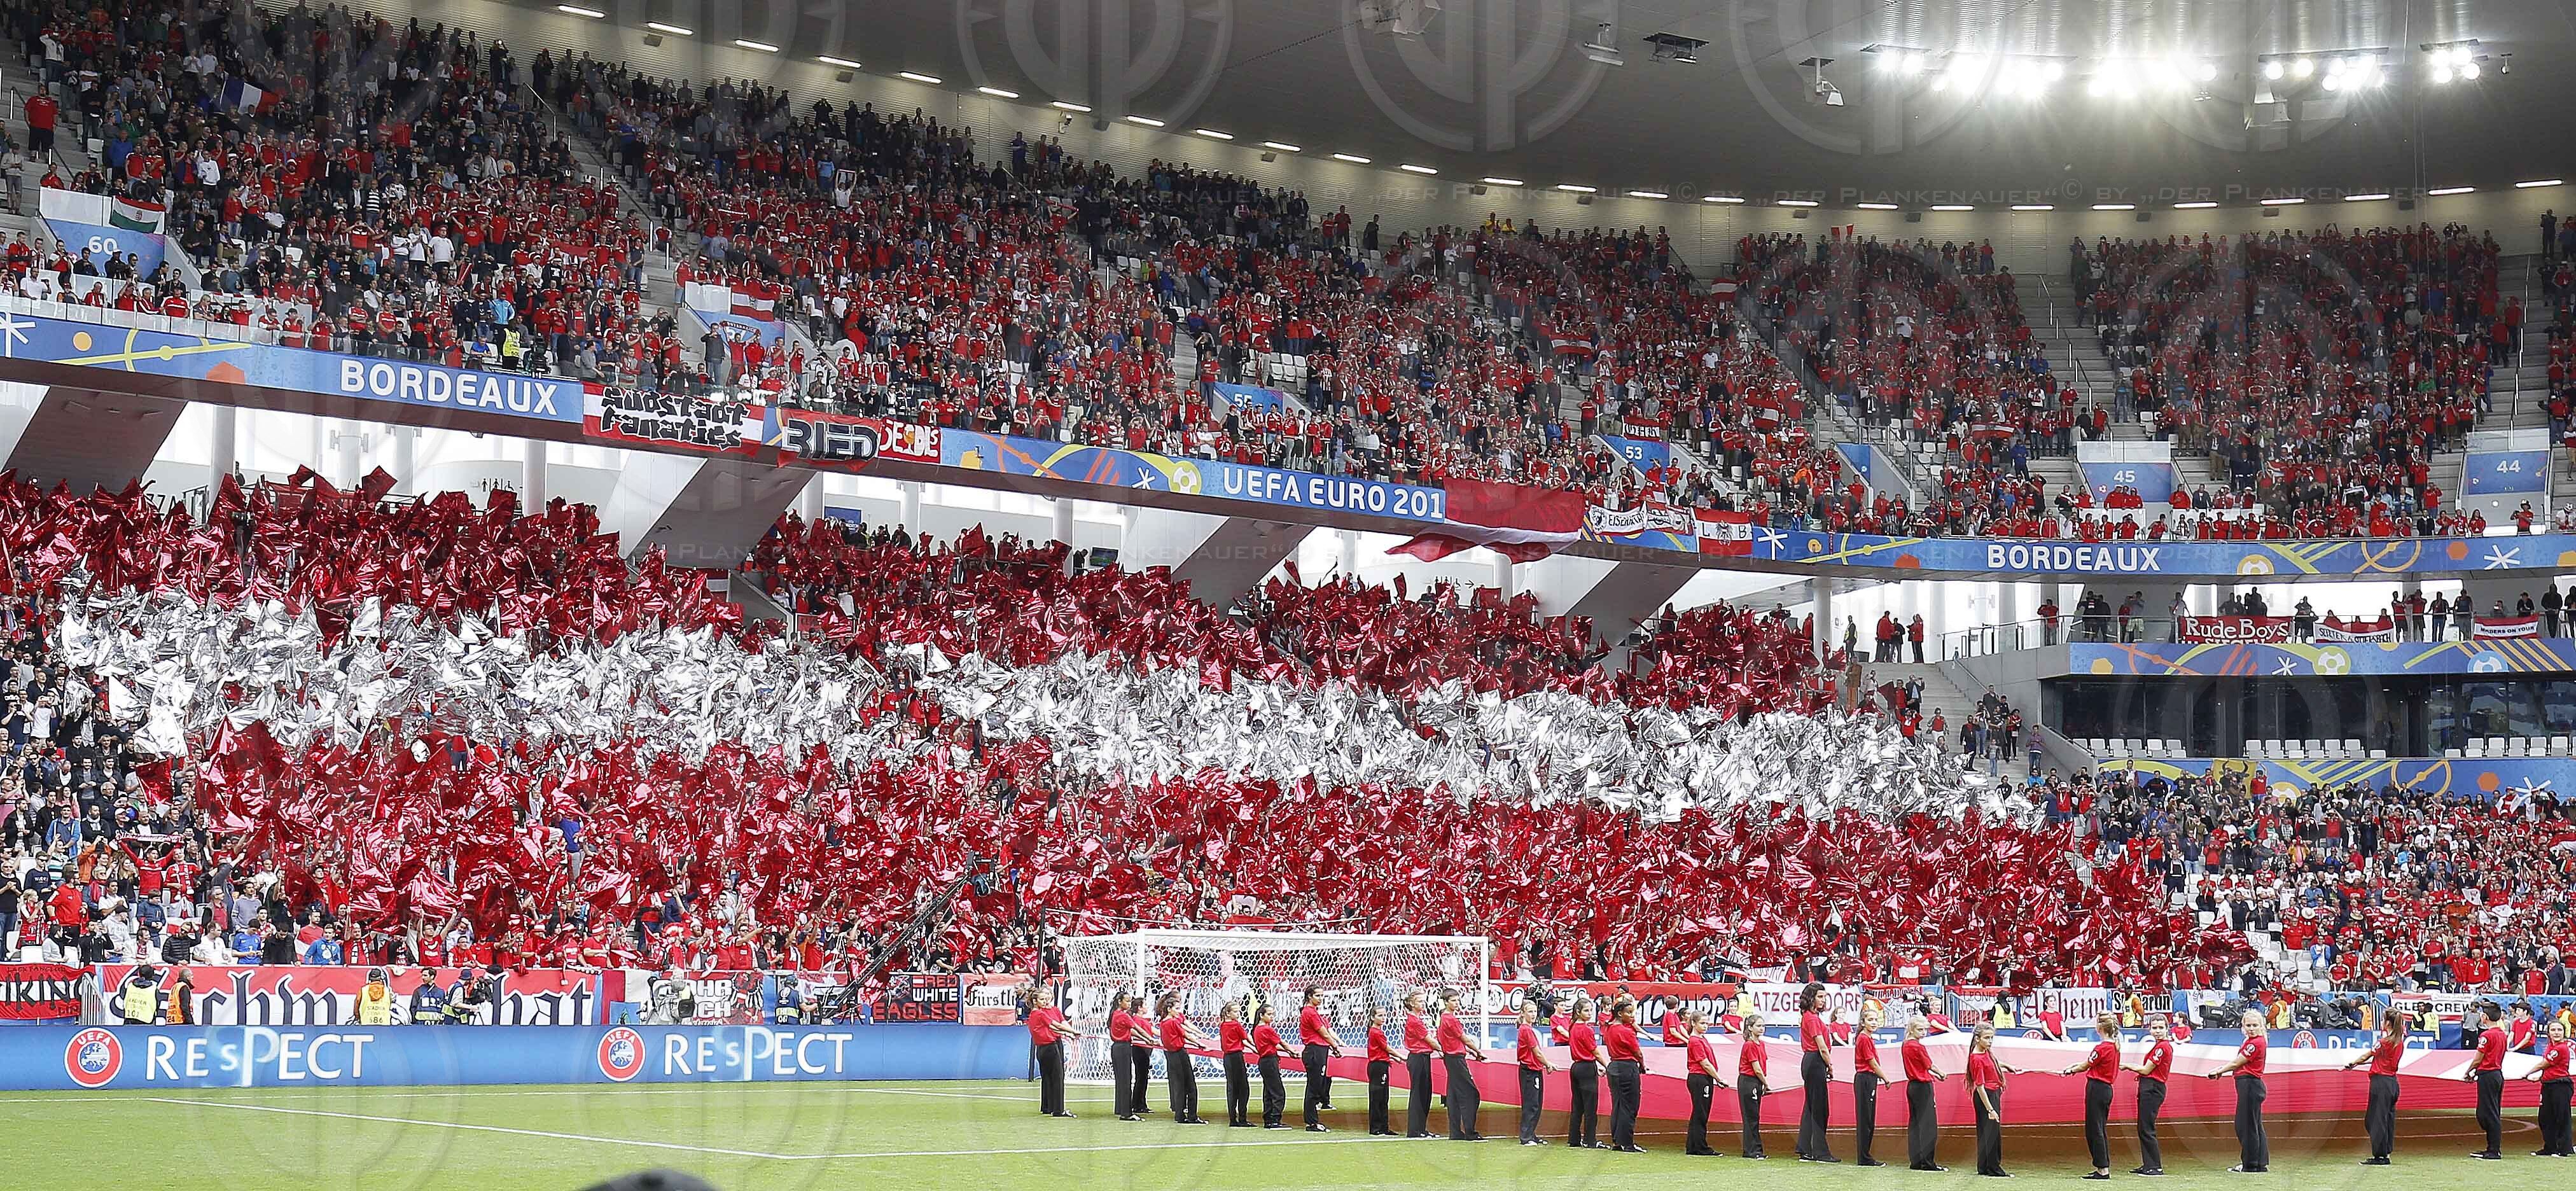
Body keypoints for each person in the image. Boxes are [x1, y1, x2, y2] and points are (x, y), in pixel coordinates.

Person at [2054, 1011, 2124, 1178]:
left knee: (2095, 1129)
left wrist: (2071, 1070)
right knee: (2099, 1128)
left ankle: (2102, 1168)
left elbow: (2086, 1065)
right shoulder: (2114, 1046)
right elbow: (2089, 1064)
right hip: (2105, 1089)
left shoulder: (2102, 1048)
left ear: (2100, 1027)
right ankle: (2103, 1165)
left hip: (2097, 1088)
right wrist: (2074, 1067)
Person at [2206, 1008, 2268, 1171]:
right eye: (2248, 1025)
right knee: (2254, 1125)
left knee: (2245, 1126)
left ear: (2261, 1026)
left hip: (2250, 1084)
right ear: (2243, 1026)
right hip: (2251, 1085)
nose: (2251, 1028)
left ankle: (2250, 1165)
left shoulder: (2256, 1043)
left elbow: (2237, 1063)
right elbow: (2237, 1063)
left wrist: (2219, 1071)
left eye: (2255, 1025)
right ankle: (2259, 1163)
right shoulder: (2253, 1042)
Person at [2343, 1011, 2405, 1164]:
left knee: (2375, 1120)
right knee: (2387, 1119)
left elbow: (2368, 1056)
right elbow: (2380, 1059)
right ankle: (2386, 1151)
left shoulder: (2384, 1042)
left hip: (2381, 1083)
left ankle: (2380, 1155)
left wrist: (2353, 1063)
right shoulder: (2399, 1042)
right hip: (2392, 1082)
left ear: (2388, 1023)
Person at [2125, 1014, 2174, 1175]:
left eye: (2161, 1028)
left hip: (2153, 1087)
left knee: (2147, 1128)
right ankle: (2149, 1164)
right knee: (2144, 1127)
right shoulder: (2158, 1046)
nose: (2158, 1031)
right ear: (2149, 1029)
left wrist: (2128, 1066)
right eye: (2155, 1028)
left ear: (2167, 1029)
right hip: (2150, 1087)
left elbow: (2146, 1070)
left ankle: (2154, 1166)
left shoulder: (2162, 1047)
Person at [1796, 984, 1839, 1162]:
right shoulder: (1812, 1019)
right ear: (1812, 998)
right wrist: (1829, 1065)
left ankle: (1806, 1149)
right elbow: (1821, 1046)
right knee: (1820, 1108)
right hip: (1815, 1061)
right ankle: (1819, 1152)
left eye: (1824, 997)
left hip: (1811, 1061)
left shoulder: (1809, 1017)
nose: (1823, 1000)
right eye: (1820, 997)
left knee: (1812, 1107)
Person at [1157, 993, 1213, 1124]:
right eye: (1176, 1008)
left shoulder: (1163, 1022)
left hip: (1171, 1055)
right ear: (1169, 1009)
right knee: (1190, 1086)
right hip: (1179, 1054)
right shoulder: (1173, 1022)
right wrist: (1200, 1044)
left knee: (1179, 1085)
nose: (1179, 1011)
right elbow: (1186, 1034)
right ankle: (1192, 1116)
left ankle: (1180, 1115)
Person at [1437, 990, 1486, 1140]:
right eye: (1453, 1001)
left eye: (1458, 1000)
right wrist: (1477, 1051)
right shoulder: (1450, 1019)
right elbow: (1465, 1039)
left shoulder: (1443, 1018)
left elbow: (1451, 1040)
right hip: (1456, 1059)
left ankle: (1456, 1131)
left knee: (1453, 1096)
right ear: (1446, 1002)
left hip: (1451, 1057)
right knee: (1471, 1094)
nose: (1457, 1003)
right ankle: (1470, 1132)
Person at [1024, 989, 1080, 1117]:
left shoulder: (1034, 1015)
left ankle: (1047, 1107)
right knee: (1058, 1077)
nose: (1045, 1001)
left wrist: (1068, 1033)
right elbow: (1057, 1025)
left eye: (1046, 998)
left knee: (1048, 1077)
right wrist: (1073, 1031)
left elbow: (1053, 1027)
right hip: (1050, 1047)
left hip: (1042, 1049)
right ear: (1035, 1001)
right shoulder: (1040, 1014)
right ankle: (1059, 1110)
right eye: (1042, 999)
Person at [1723, 1010, 1771, 1159]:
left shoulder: (1760, 1044)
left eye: (1763, 1026)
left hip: (1756, 1081)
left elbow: (1762, 1066)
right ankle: (1752, 1151)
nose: (1762, 1028)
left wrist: (1762, 1082)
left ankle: (1755, 1149)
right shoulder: (1749, 1045)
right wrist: (1766, 1083)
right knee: (1751, 1118)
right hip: (1748, 1081)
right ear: (1750, 1028)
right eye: (1759, 1026)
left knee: (1755, 1117)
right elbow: (1756, 1068)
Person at [1902, 1016, 1947, 1171]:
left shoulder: (1905, 1045)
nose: (1924, 1033)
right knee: (1928, 1125)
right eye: (1920, 1030)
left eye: (1925, 1030)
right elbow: (1929, 1065)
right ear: (1912, 1030)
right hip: (1922, 1086)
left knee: (1915, 1124)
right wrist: (1941, 1073)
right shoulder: (1918, 1047)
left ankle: (1916, 1161)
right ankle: (1928, 1162)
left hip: (1912, 1086)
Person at [2465, 1002, 2507, 1159]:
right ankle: (2492, 1148)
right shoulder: (2502, 1034)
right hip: (2496, 1074)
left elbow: (2478, 1059)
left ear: (2485, 1017)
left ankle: (2494, 1150)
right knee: (2492, 1111)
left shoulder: (2487, 1036)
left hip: (2488, 1075)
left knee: (2487, 1113)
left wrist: (2469, 1072)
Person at [1604, 996, 1647, 1152]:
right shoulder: (1626, 1031)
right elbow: (1638, 1053)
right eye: (1629, 1013)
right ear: (1620, 1014)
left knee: (1618, 1104)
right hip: (1627, 1067)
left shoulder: (1609, 1029)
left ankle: (1618, 1140)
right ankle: (1627, 1142)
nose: (1632, 1016)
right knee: (1630, 1105)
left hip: (1614, 1066)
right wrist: (1642, 1066)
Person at [1561, 994, 1604, 1148]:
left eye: (1590, 1010)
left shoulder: (1572, 1026)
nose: (1590, 1013)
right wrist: (1606, 1065)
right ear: (1578, 1012)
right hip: (1586, 1067)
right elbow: (1595, 1051)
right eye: (1587, 1010)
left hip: (1577, 1067)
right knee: (1590, 1107)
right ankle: (1590, 1140)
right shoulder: (1586, 1029)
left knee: (1577, 1105)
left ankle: (1574, 1139)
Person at [2526, 1020, 2573, 1157]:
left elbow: (2544, 1064)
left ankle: (2564, 1149)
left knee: (2562, 1117)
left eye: (2559, 1030)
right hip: (2549, 1085)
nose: (2557, 1033)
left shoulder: (2561, 1048)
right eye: (2553, 1030)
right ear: (2548, 1033)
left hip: (2561, 1085)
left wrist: (2528, 1073)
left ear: (2564, 1032)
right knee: (2545, 1118)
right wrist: (2540, 1078)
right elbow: (2550, 1068)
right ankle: (2550, 1147)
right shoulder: (2550, 1047)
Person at [1298, 986, 1342, 1131]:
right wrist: (1335, 1046)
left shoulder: (1313, 1012)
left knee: (1317, 1085)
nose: (1321, 998)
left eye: (1322, 995)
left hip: (1319, 1050)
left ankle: (1312, 1120)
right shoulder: (1310, 1013)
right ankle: (1312, 1122)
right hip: (1315, 1051)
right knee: (1314, 1086)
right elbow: (1323, 1033)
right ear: (1310, 996)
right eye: (1318, 995)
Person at [1968, 1022, 2009, 1177]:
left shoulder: (1986, 1053)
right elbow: (1980, 1086)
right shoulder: (1977, 1059)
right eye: (1987, 1038)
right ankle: (1994, 1168)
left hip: (1991, 1093)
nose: (1990, 1041)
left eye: (1991, 1038)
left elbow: (1992, 1064)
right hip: (1987, 1096)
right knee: (1992, 1134)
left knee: (1988, 1133)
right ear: (1977, 1039)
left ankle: (1985, 1167)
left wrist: (2006, 1066)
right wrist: (1990, 1109)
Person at [1515, 1002, 1555, 1145]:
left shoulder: (1527, 1029)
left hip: (1534, 1069)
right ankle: (1526, 1137)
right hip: (1530, 1070)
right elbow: (1536, 1052)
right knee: (1531, 1104)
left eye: (1534, 1011)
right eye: (1530, 1012)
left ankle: (1531, 1134)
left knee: (1536, 1103)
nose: (1533, 1014)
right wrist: (1548, 1064)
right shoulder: (1526, 1030)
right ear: (1523, 1013)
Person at [1684, 1008, 1722, 1155]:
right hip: (1700, 1078)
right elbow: (1704, 1063)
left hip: (1702, 1078)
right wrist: (1718, 1078)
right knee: (1701, 1113)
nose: (1705, 1026)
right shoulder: (1695, 1041)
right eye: (1702, 1023)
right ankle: (1699, 1146)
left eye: (1707, 1023)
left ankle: (1694, 1145)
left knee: (1699, 1112)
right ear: (1694, 1023)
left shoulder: (1700, 1039)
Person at [1402, 992, 1436, 1138]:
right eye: (1420, 1001)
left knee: (1425, 1093)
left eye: (1424, 1001)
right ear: (1412, 1004)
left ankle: (1421, 1128)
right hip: (1418, 1057)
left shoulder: (1417, 1020)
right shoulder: (1414, 1021)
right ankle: (1415, 1130)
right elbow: (1429, 1040)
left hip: (1423, 1057)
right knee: (1419, 1094)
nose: (1423, 1004)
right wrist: (1444, 1050)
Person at [1108, 992, 1144, 1122]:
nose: (1129, 1004)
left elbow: (1132, 1030)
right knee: (1126, 1080)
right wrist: (1150, 1039)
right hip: (1123, 1048)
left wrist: (1147, 1038)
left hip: (1117, 1048)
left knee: (1121, 1080)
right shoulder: (1123, 1015)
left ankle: (1120, 1108)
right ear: (1120, 1002)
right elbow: (1137, 1028)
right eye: (1127, 1001)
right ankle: (1126, 1113)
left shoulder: (1115, 1014)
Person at [1255, 1003, 1290, 1128]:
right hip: (1270, 1061)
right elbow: (1281, 1042)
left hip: (1264, 1061)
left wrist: (1288, 1051)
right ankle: (1275, 1119)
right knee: (1278, 1092)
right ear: (1261, 1015)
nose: (1272, 1017)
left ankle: (1268, 1118)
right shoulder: (1267, 1029)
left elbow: (1275, 1044)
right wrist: (1291, 1051)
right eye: (1269, 1014)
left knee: (1268, 1091)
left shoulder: (1257, 1029)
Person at [1218, 999, 1253, 1127]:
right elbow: (1245, 1038)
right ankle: (1243, 1118)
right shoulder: (1236, 1025)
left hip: (1228, 1058)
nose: (1238, 1014)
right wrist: (1255, 1047)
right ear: (1228, 1013)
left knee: (1232, 1088)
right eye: (1235, 1011)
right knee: (1243, 1088)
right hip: (1237, 1057)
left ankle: (1233, 1118)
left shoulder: (1223, 1025)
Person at [1365, 1007, 1396, 1136]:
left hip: (1381, 1065)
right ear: (1373, 1017)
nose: (1383, 1018)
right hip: (1378, 1066)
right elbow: (1386, 1048)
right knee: (1378, 1098)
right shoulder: (1376, 1032)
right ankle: (1376, 1127)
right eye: (1380, 1015)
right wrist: (1400, 1056)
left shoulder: (1377, 1032)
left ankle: (1383, 1126)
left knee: (1383, 1097)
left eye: (1385, 1015)